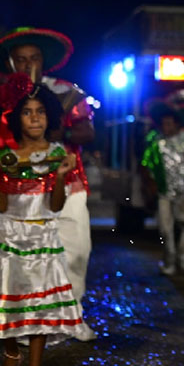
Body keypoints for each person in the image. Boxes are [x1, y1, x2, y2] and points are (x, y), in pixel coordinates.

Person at [0, 27, 96, 342]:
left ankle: (74, 315)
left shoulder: (65, 90)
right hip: (17, 189)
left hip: (66, 182)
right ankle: (22, 322)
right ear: (10, 63)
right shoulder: (3, 94)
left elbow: (87, 132)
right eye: (20, 59)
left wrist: (61, 134)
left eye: (34, 58)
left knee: (77, 250)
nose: (28, 65)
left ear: (45, 61)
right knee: (19, 258)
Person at [0, 73, 83, 365]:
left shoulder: (57, 154)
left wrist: (60, 176)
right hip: (9, 236)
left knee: (41, 304)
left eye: (41, 112)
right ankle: (11, 349)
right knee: (6, 298)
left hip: (44, 237)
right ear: (16, 118)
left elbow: (56, 206)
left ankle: (35, 362)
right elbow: (1, 207)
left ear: (49, 116)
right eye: (27, 112)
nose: (35, 119)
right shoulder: (5, 156)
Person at [141, 101, 184, 276]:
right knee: (165, 229)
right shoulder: (155, 143)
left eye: (170, 123)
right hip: (164, 193)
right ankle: (170, 260)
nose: (167, 127)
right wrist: (150, 184)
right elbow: (145, 165)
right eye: (164, 123)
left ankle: (183, 258)